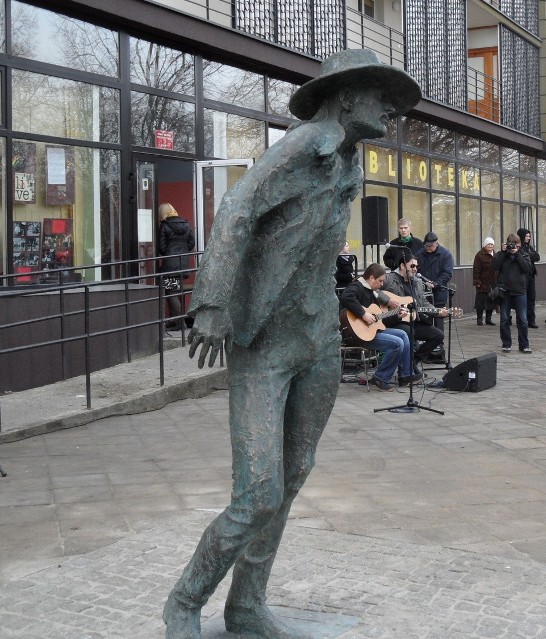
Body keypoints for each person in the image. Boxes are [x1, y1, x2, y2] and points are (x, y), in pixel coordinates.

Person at [163, 49, 422, 639]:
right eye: (378, 94)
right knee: (257, 491)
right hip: (265, 342)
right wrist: (211, 302)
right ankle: (185, 600)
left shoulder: (351, 163)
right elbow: (238, 208)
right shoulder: (305, 145)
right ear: (346, 95)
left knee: (295, 471)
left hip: (316, 338)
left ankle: (247, 606)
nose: (387, 107)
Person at [340, 263, 421, 389]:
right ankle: (381, 378)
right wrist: (363, 314)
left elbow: (379, 321)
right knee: (397, 343)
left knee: (403, 334)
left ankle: (405, 375)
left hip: (370, 332)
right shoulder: (357, 286)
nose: (382, 285)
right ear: (371, 278)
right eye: (380, 281)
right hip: (357, 335)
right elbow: (345, 297)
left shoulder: (371, 292)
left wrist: (397, 315)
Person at [383, 253, 448, 366]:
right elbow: (374, 291)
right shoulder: (389, 278)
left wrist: (437, 312)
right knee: (408, 332)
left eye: (417, 267)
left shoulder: (417, 282)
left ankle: (414, 361)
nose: (415, 269)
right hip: (394, 320)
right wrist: (387, 301)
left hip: (413, 320)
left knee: (438, 335)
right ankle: (407, 369)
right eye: (412, 266)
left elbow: (423, 302)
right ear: (402, 266)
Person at [157, 202, 195, 331]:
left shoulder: (164, 226)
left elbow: (161, 248)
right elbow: (191, 243)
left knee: (171, 292)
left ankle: (180, 323)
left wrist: (169, 253)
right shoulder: (186, 224)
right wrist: (183, 253)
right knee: (176, 290)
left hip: (170, 265)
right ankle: (175, 320)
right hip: (183, 264)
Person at [492, 233, 533, 353]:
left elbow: (527, 269)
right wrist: (502, 253)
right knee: (504, 319)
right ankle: (506, 343)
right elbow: (494, 266)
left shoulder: (523, 254)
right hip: (505, 291)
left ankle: (524, 345)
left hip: (520, 291)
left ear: (519, 244)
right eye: (510, 244)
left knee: (523, 319)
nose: (512, 246)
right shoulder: (503, 255)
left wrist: (517, 254)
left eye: (514, 244)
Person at [415, 231, 454, 327]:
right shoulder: (419, 254)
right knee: (424, 318)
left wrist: (436, 283)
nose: (428, 248)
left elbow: (447, 273)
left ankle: (439, 341)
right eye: (426, 246)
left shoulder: (446, 255)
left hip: (439, 293)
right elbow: (414, 269)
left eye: (430, 246)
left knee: (438, 318)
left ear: (437, 243)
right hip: (423, 292)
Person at [517, 228, 540, 328]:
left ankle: (531, 320)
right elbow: (521, 257)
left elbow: (537, 257)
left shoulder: (529, 247)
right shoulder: (518, 247)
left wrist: (529, 255)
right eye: (527, 236)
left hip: (531, 275)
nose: (528, 238)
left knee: (531, 298)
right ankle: (522, 319)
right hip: (522, 276)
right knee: (522, 299)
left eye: (529, 236)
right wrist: (530, 255)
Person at [472, 237, 497, 326]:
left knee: (490, 301)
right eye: (488, 244)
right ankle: (479, 319)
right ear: (484, 245)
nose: (490, 246)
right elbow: (476, 269)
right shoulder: (479, 255)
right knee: (480, 302)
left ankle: (488, 319)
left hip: (492, 282)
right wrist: (477, 281)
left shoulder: (495, 254)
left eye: (491, 244)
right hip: (482, 282)